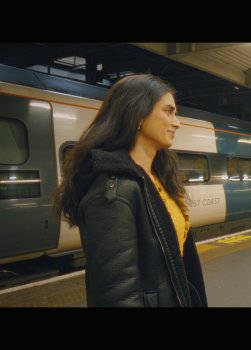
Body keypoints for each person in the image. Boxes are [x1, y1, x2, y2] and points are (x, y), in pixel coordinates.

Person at [53, 74, 207, 307]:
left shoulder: (156, 177)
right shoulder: (113, 192)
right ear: (138, 115)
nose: (177, 122)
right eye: (168, 111)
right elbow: (117, 294)